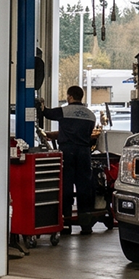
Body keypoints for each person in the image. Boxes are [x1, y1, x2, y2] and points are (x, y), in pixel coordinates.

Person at [41, 85, 101, 232]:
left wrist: (40, 104)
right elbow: (83, 133)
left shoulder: (64, 110)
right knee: (84, 187)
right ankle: (86, 225)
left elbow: (47, 113)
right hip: (84, 153)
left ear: (70, 97)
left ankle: (66, 223)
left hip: (67, 152)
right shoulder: (90, 115)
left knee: (66, 186)